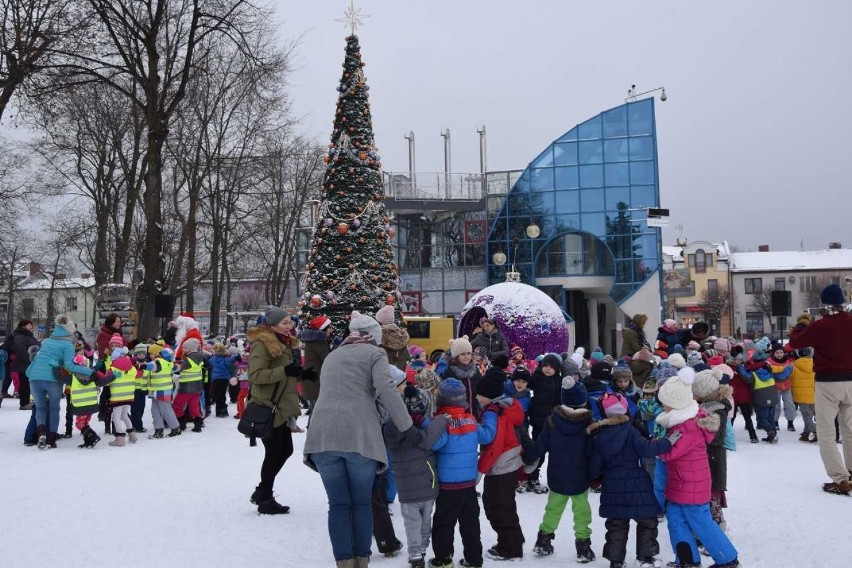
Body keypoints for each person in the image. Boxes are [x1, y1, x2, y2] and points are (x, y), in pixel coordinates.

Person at [304, 311, 418, 567]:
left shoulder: (333, 356)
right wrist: (407, 426)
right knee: (361, 503)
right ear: (374, 338)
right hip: (359, 437)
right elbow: (386, 389)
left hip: (322, 438)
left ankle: (344, 562)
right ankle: (361, 561)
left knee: (338, 505)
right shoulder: (374, 354)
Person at [655, 367, 739, 568]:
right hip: (680, 485)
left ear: (675, 404)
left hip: (690, 486)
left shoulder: (687, 427)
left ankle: (727, 559)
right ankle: (687, 559)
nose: (662, 406)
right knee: (676, 521)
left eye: (664, 403)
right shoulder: (682, 421)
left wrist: (650, 446)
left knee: (701, 523)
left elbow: (668, 452)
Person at [588, 391, 675, 568]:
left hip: (612, 485)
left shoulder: (599, 436)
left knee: (616, 524)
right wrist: (667, 442)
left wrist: (592, 477)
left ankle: (616, 560)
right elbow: (647, 449)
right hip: (637, 482)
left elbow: (594, 467)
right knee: (647, 520)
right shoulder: (631, 431)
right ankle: (646, 556)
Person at [788, 284, 852, 495]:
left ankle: (841, 479)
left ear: (823, 304)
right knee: (850, 430)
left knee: (826, 433)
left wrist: (799, 326)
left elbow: (795, 343)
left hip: (828, 383)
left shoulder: (819, 326)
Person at [427, 378, 497, 568]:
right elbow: (488, 435)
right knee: (470, 524)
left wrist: (429, 424)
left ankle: (443, 559)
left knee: (443, 522)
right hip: (468, 484)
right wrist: (490, 414)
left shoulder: (442, 422)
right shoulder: (471, 420)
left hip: (448, 486)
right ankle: (474, 560)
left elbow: (433, 443)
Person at [524, 377, 594, 561]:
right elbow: (592, 451)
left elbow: (540, 445)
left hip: (557, 475)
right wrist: (597, 472)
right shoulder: (589, 423)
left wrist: (527, 459)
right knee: (582, 511)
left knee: (553, 509)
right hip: (580, 476)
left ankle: (543, 540)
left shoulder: (552, 421)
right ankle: (583, 545)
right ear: (583, 401)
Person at [247, 306, 302, 515]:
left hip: (281, 406)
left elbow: (285, 373)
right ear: (272, 325)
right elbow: (256, 376)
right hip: (268, 405)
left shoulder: (284, 342)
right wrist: (285, 371)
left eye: (291, 322)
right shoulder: (263, 344)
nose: (290, 326)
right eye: (285, 323)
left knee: (285, 450)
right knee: (273, 453)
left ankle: (262, 491)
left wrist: (301, 374)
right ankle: (265, 498)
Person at [385, 385, 447, 568]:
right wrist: (441, 419)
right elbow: (432, 439)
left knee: (412, 522)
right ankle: (422, 550)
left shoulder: (392, 428)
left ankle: (415, 556)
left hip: (406, 487)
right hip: (427, 483)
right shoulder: (425, 429)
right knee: (426, 520)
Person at [26, 315, 102, 449]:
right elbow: (70, 366)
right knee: (54, 409)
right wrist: (91, 372)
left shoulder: (46, 341)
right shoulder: (67, 345)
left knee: (41, 408)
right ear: (68, 332)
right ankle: (51, 439)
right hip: (52, 379)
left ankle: (41, 434)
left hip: (34, 377)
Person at [475, 370, 526, 561]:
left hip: (501, 465)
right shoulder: (503, 407)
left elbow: (494, 447)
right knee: (505, 505)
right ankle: (514, 538)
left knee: (496, 507)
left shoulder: (493, 413)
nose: (477, 397)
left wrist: (480, 470)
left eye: (479, 394)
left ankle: (510, 548)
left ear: (487, 395)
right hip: (509, 463)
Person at [6, 319, 39, 409]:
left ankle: (26, 401)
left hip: (29, 363)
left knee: (27, 383)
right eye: (29, 325)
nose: (31, 327)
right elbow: (21, 351)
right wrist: (30, 360)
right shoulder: (20, 336)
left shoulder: (27, 335)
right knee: (24, 384)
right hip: (24, 364)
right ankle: (24, 403)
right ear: (23, 326)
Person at [790, 348, 816, 443]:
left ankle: (817, 432)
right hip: (813, 394)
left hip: (801, 395)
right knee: (809, 415)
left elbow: (787, 374)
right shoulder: (815, 364)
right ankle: (806, 433)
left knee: (806, 416)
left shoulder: (794, 365)